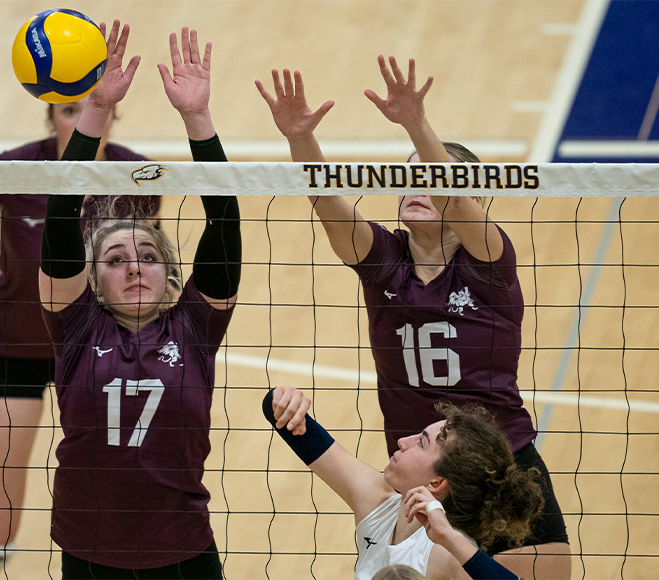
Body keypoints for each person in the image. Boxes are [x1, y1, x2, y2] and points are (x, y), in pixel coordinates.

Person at [255, 56, 570, 579]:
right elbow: (326, 202)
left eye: (431, 177)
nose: (416, 185)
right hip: (421, 474)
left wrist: (416, 124)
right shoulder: (384, 261)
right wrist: (300, 139)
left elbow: (453, 191)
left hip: (504, 461)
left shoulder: (490, 264)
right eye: (409, 175)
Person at [0, 64, 155, 580]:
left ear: (113, 117)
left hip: (95, 362)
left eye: (96, 111)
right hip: (13, 353)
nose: (86, 123)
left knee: (125, 527)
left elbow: (138, 285)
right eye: (71, 111)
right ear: (51, 117)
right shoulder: (15, 167)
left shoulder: (138, 178)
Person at [39, 22, 240, 579]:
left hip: (183, 554)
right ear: (91, 281)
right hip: (89, 552)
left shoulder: (195, 326)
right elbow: (61, 217)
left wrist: (197, 117)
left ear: (171, 274)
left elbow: (224, 216)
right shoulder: (76, 327)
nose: (133, 267)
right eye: (115, 260)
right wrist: (97, 109)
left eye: (148, 257)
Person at [264, 385, 544, 580]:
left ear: (437, 482)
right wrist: (284, 401)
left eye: (420, 443)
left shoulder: (443, 554)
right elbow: (284, 419)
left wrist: (450, 539)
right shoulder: (377, 504)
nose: (402, 441)